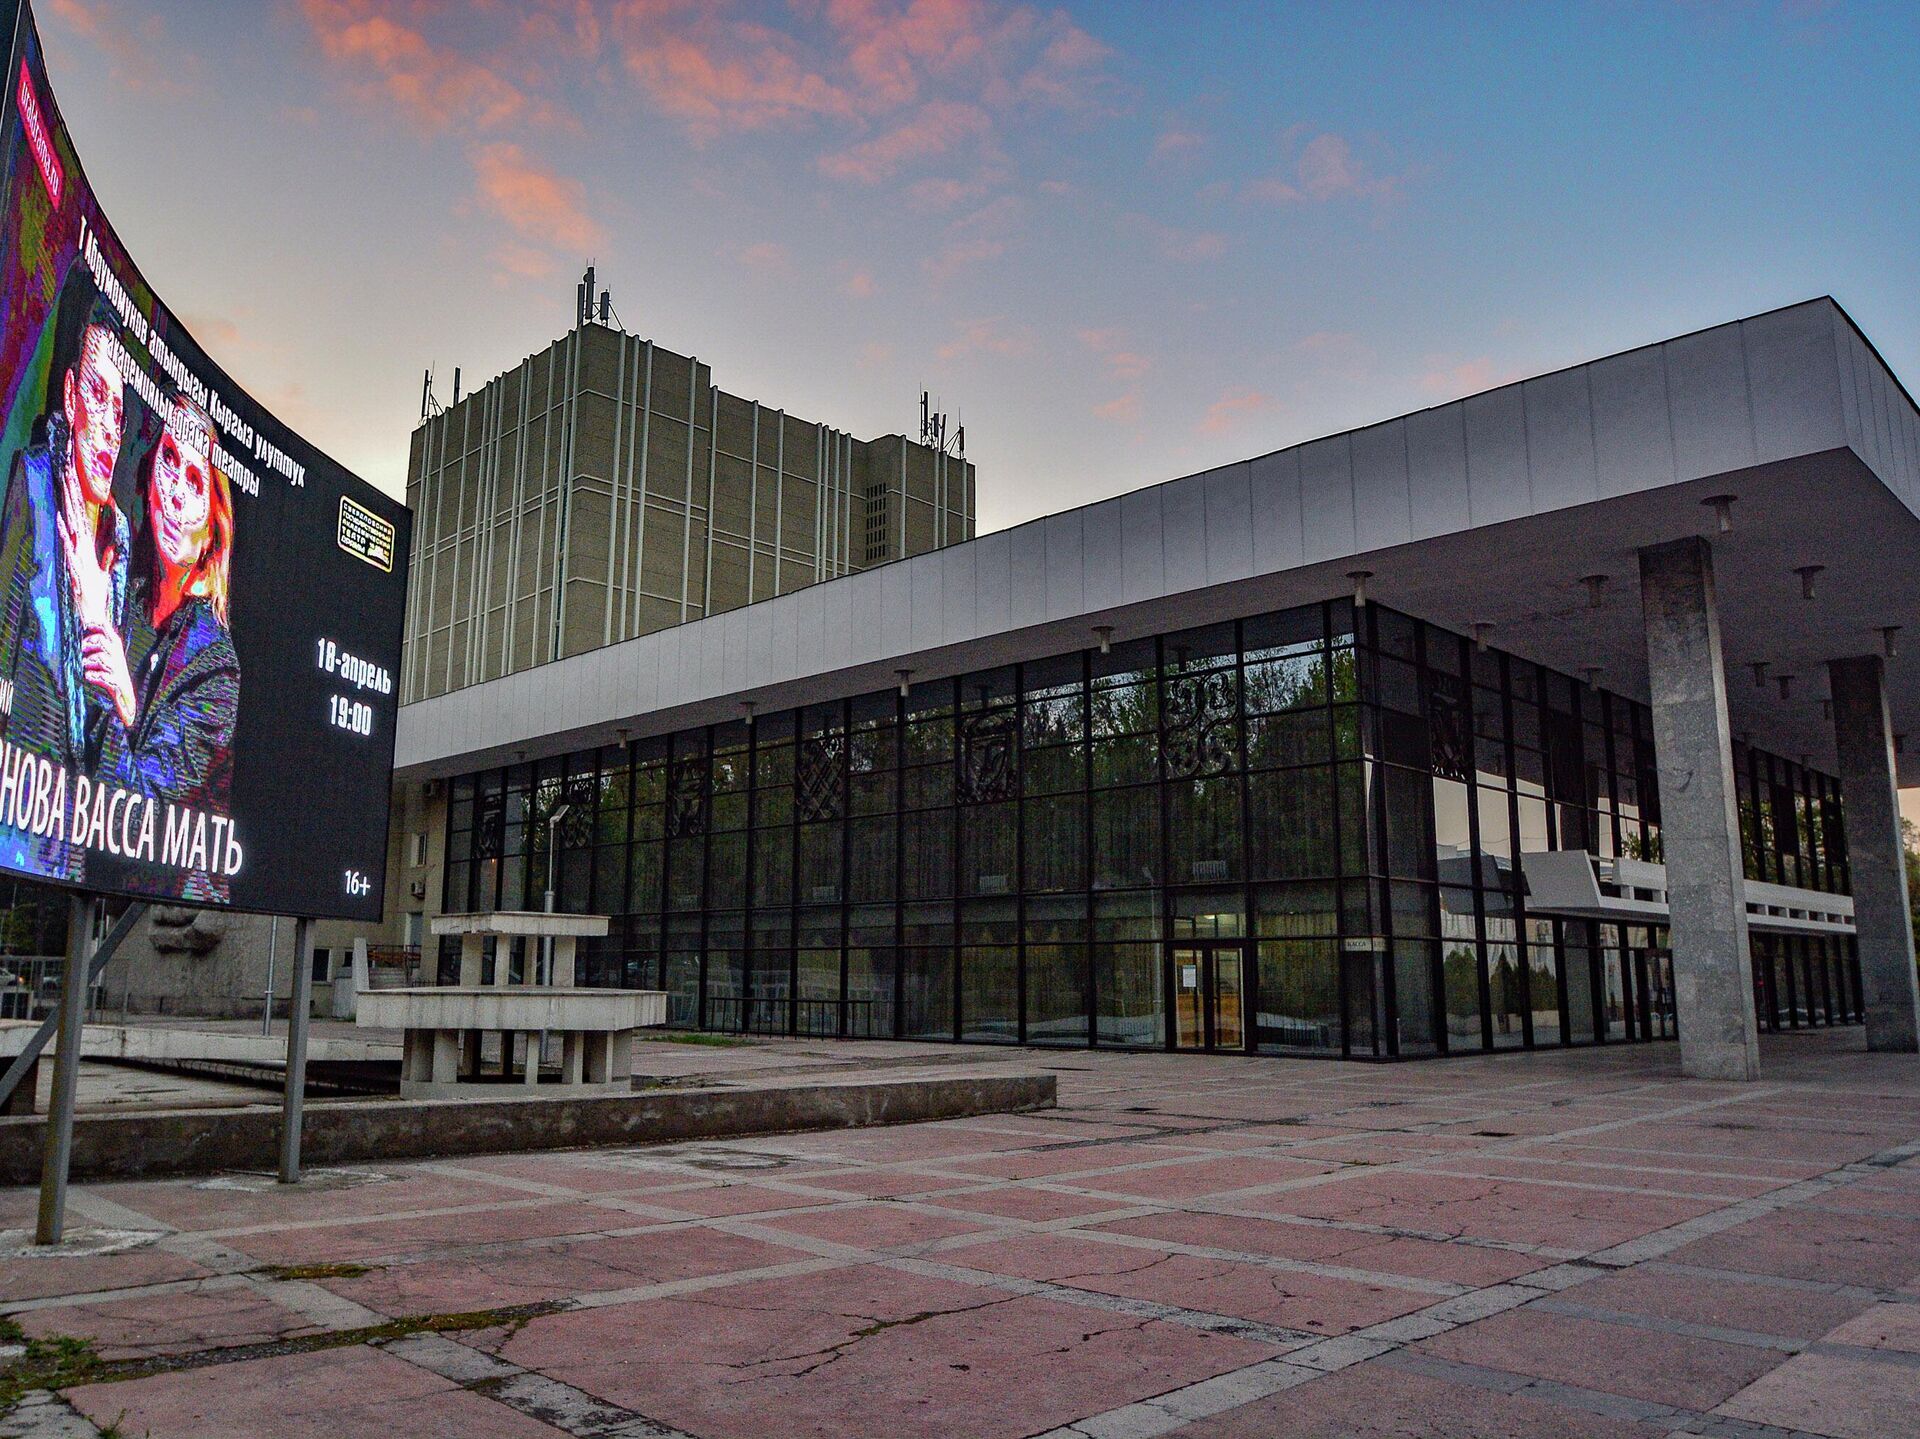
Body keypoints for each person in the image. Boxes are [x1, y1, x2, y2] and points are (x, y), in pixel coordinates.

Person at [83, 392, 239, 901]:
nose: (175, 494)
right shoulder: (117, 580)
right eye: (169, 460)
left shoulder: (215, 668)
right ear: (148, 476)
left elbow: (141, 829)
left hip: (154, 908)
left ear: (212, 529)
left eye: (194, 481)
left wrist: (122, 706)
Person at [0, 282, 131, 774]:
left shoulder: (120, 543)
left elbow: (113, 738)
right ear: (71, 396)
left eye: (118, 413)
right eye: (97, 396)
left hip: (86, 809)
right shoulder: (35, 483)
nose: (109, 429)